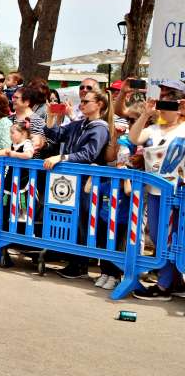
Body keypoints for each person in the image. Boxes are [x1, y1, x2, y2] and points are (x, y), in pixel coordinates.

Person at [125, 80, 185, 299]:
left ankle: (164, 285)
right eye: (161, 102)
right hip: (155, 190)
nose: (162, 107)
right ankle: (172, 281)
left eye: (168, 102)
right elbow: (133, 138)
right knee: (159, 236)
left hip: (178, 192)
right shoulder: (153, 128)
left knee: (173, 238)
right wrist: (145, 114)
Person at [44, 89, 112, 279]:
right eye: (81, 102)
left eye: (86, 101)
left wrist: (62, 157)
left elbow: (88, 154)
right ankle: (73, 260)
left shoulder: (100, 128)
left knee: (84, 220)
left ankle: (81, 263)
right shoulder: (79, 124)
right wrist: (51, 116)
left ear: (99, 104)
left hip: (88, 182)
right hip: (73, 181)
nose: (81, 105)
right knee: (74, 219)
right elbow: (55, 135)